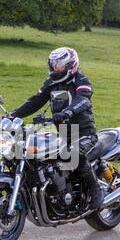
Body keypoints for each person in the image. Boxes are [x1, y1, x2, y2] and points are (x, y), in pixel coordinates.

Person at [10, 47, 104, 210]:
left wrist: (68, 111)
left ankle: (96, 190)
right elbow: (36, 101)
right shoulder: (51, 83)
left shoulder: (81, 80)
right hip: (61, 135)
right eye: (53, 65)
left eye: (59, 65)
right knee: (38, 155)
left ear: (70, 65)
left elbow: (84, 99)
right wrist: (13, 115)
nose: (56, 68)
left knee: (73, 153)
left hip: (83, 133)